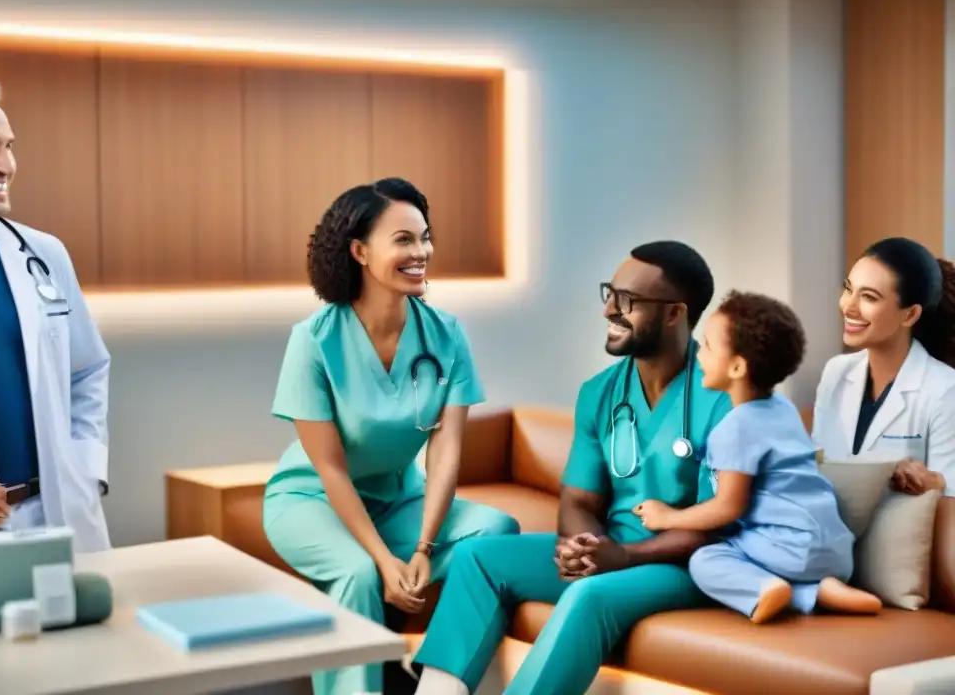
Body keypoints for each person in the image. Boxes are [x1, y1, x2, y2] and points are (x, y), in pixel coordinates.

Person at [411, 241, 733, 695]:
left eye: (627, 301)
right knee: (476, 557)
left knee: (588, 595)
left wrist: (621, 558)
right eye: (609, 293)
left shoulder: (723, 396)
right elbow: (579, 499)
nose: (608, 310)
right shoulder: (600, 392)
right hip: (613, 549)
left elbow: (716, 524)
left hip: (686, 566)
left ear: (675, 314)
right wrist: (584, 546)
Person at [263, 177, 519, 695]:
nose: (421, 252)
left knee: (497, 531)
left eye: (425, 238)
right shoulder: (313, 341)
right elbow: (331, 469)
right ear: (359, 251)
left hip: (400, 498)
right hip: (312, 499)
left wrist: (423, 547)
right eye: (403, 240)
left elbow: (445, 452)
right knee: (357, 574)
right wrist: (384, 561)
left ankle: (434, 678)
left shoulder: (445, 333)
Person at [0, 73, 111, 580]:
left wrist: (84, 470)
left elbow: (88, 371)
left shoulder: (43, 255)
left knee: (84, 657)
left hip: (53, 517)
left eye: (9, 146)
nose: (6, 165)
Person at [635, 291, 882, 624]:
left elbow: (727, 508)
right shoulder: (784, 409)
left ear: (737, 366)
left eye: (707, 346)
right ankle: (822, 589)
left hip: (788, 549)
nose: (699, 354)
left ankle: (781, 591)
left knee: (706, 561)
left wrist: (667, 518)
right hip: (837, 551)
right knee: (747, 542)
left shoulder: (734, 428)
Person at [813, 237, 955, 497]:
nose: (849, 306)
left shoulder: (944, 389)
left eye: (868, 297)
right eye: (848, 289)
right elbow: (817, 471)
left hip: (897, 533)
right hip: (830, 529)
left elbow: (950, 496)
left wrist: (934, 482)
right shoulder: (836, 372)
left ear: (910, 314)